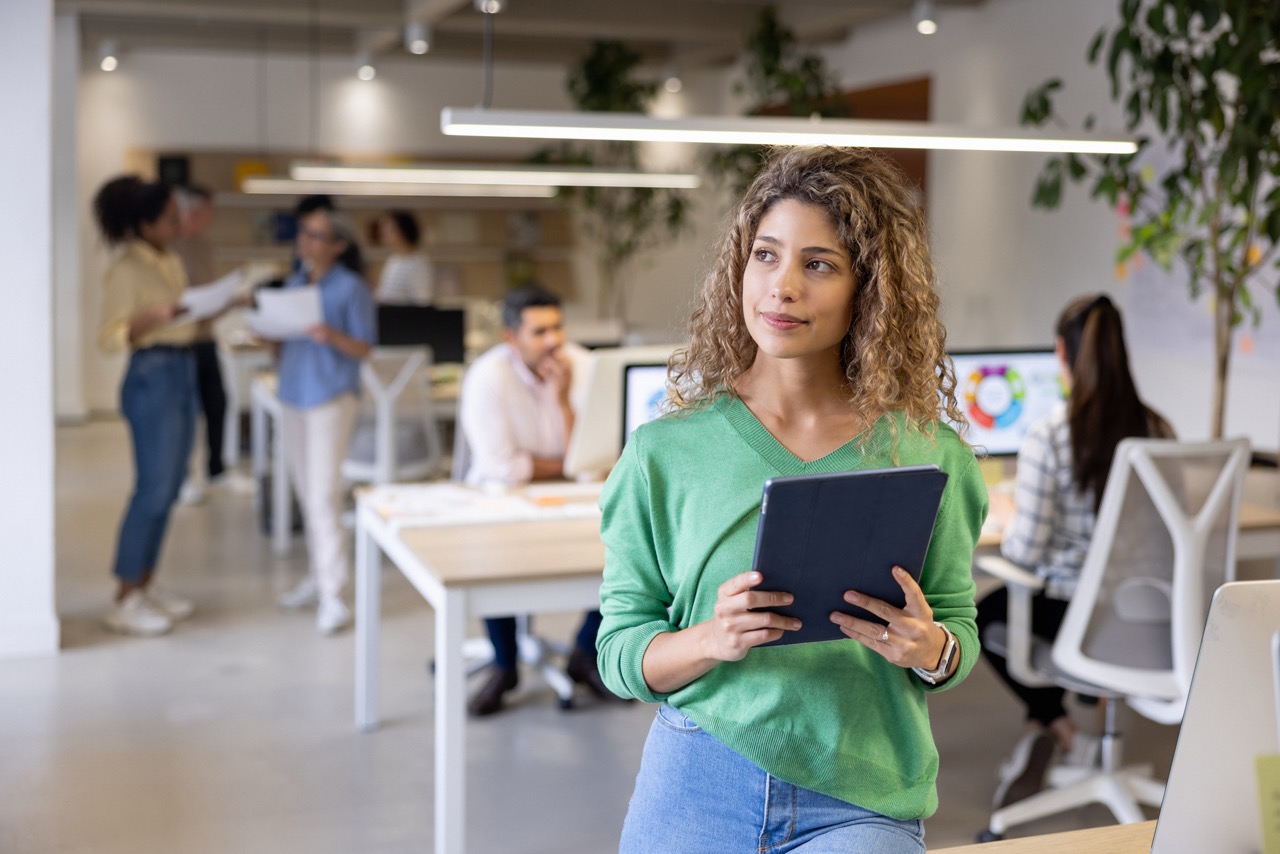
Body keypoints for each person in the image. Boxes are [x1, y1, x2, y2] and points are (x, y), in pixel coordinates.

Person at [596, 146, 987, 853]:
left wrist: (930, 648)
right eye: (766, 256)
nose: (782, 288)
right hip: (699, 774)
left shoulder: (932, 457)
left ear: (868, 289)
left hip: (860, 788)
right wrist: (711, 639)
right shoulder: (664, 455)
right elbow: (621, 651)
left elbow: (957, 632)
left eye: (819, 264)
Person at [975, 293, 1174, 809]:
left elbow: (1024, 551)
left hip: (1075, 617)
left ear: (1062, 353)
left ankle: (1055, 725)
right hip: (1151, 619)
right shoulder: (1158, 429)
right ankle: (1060, 730)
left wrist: (1009, 511)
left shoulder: (1052, 434)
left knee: (981, 612)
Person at [459, 284, 624, 716]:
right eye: (539, 332)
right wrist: (567, 464)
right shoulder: (487, 377)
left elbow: (592, 465)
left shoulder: (587, 367)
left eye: (558, 328)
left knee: (626, 545)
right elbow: (502, 468)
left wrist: (562, 405)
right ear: (510, 338)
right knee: (490, 552)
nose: (553, 341)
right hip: (502, 499)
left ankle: (584, 654)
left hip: (575, 496)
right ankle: (504, 663)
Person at [95, 175, 200, 636]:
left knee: (172, 485)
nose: (179, 226)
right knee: (152, 488)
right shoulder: (125, 269)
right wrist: (149, 318)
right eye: (171, 220)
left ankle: (145, 583)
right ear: (145, 224)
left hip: (182, 368)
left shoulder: (169, 259)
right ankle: (124, 595)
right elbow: (110, 336)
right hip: (151, 375)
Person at [273, 207, 377, 635]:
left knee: (323, 494)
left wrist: (327, 333)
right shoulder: (297, 281)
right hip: (294, 393)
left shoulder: (351, 289)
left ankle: (335, 593)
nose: (306, 242)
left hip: (330, 396)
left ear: (338, 245)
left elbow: (363, 347)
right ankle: (318, 577)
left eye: (316, 236)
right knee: (304, 492)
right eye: (304, 233)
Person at [171, 184, 251, 504]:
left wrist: (230, 299)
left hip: (205, 339)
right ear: (191, 213)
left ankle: (216, 470)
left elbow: (208, 299)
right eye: (207, 212)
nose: (211, 219)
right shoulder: (170, 250)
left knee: (218, 404)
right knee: (186, 413)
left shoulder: (204, 247)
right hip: (180, 343)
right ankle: (183, 477)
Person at [374, 210, 434, 305]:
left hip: (405, 318)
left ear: (402, 231)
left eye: (389, 229)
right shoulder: (392, 260)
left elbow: (422, 303)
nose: (383, 234)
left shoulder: (417, 263)